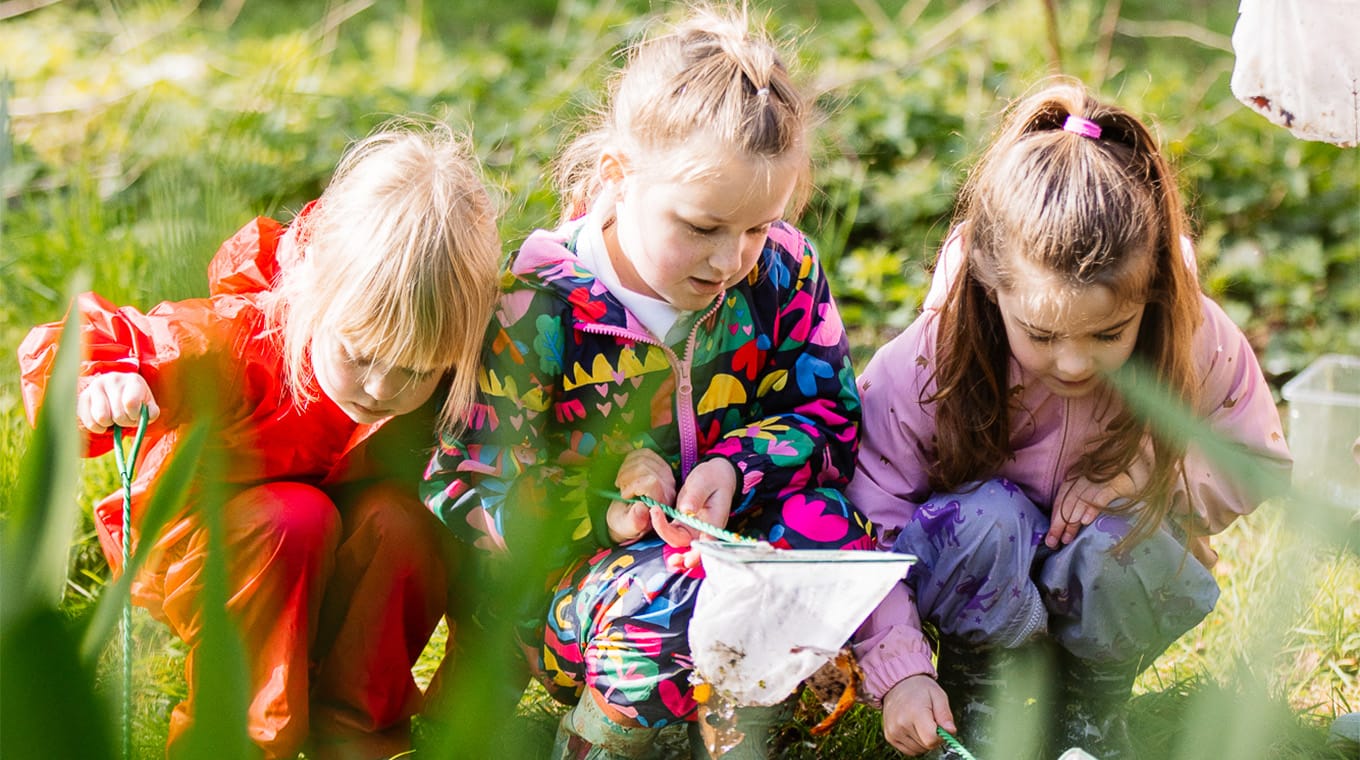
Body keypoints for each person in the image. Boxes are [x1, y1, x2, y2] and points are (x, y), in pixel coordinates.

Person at [420, 7, 873, 759]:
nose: (732, 259)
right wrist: (604, 499)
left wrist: (738, 466)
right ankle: (601, 738)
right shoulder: (537, 308)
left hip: (730, 540)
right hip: (583, 589)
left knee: (831, 534)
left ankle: (743, 721)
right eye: (701, 227)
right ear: (619, 179)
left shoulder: (784, 271)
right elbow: (466, 482)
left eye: (758, 226)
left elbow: (829, 414)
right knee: (668, 598)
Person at [17, 121, 503, 759]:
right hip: (216, 545)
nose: (383, 386)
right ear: (313, 295)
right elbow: (77, 341)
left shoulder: (457, 387)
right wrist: (101, 381)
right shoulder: (240, 340)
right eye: (358, 355)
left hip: (342, 554)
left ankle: (357, 733)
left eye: (416, 369)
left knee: (412, 521)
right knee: (292, 520)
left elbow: (484, 532)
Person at [848, 79, 1292, 759]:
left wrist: (1146, 477)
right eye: (1043, 334)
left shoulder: (1191, 337)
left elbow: (1253, 460)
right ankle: (982, 686)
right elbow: (868, 522)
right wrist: (900, 667)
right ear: (990, 288)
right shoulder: (930, 361)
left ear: (1152, 292)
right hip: (978, 586)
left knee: (1127, 538)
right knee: (985, 519)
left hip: (1104, 590)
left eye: (1109, 333)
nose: (1076, 363)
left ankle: (1088, 704)